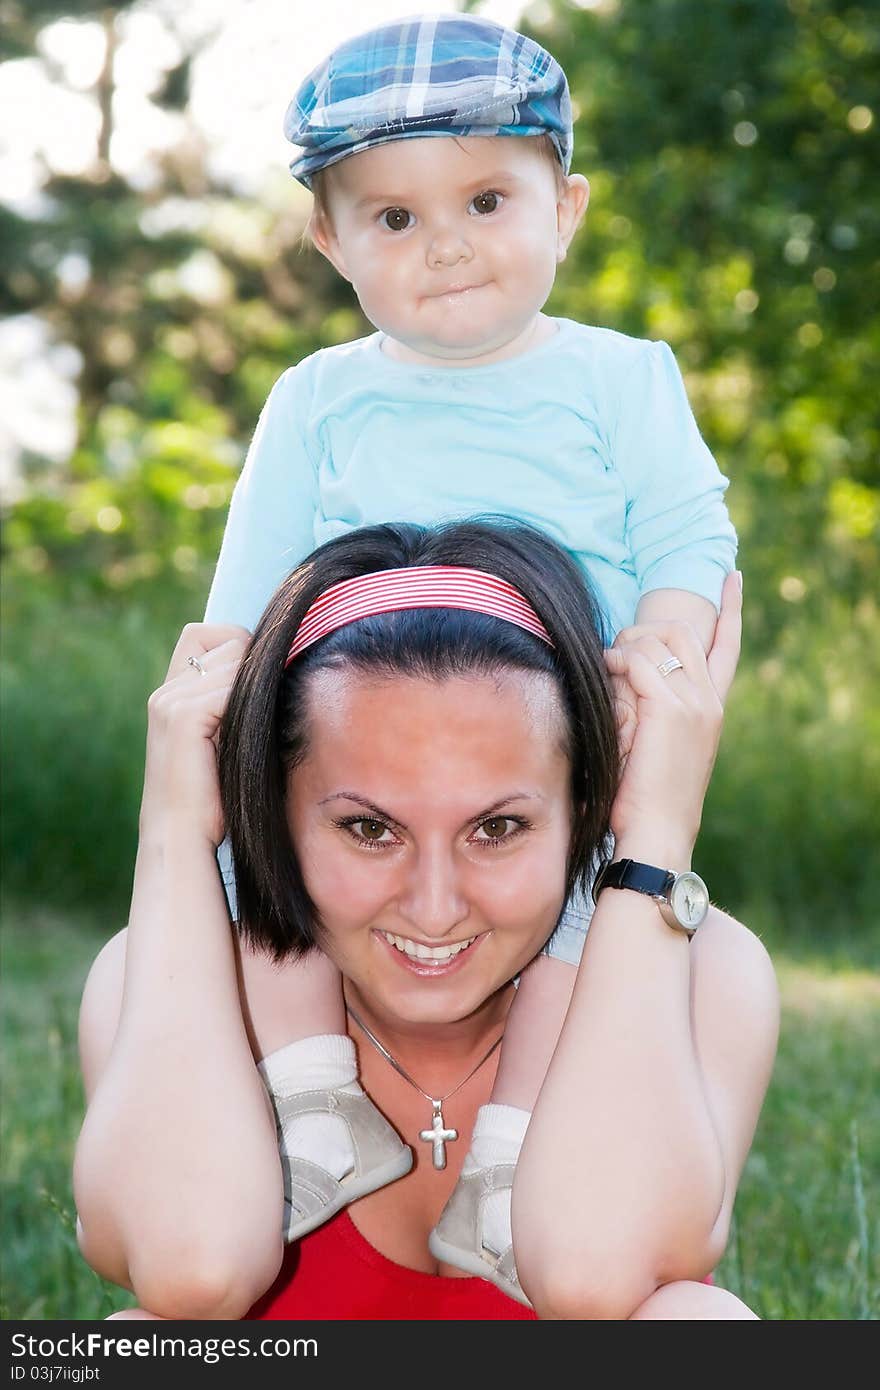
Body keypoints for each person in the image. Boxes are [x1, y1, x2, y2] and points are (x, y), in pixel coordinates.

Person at [197, 13, 741, 1298]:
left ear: (567, 207)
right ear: (330, 240)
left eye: (487, 199)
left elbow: (686, 529)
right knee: (250, 883)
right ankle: (311, 1100)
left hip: (554, 733)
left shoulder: (619, 379)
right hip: (358, 725)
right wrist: (228, 698)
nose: (443, 243)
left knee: (578, 926)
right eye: (392, 218)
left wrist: (662, 638)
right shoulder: (320, 397)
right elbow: (253, 580)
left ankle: (507, 1163)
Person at [74, 519, 777, 1320]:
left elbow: (594, 1277)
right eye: (371, 830)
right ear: (273, 807)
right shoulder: (167, 973)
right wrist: (171, 831)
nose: (435, 907)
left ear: (584, 805)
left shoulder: (702, 970)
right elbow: (187, 1270)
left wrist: (653, 836)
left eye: (498, 828)